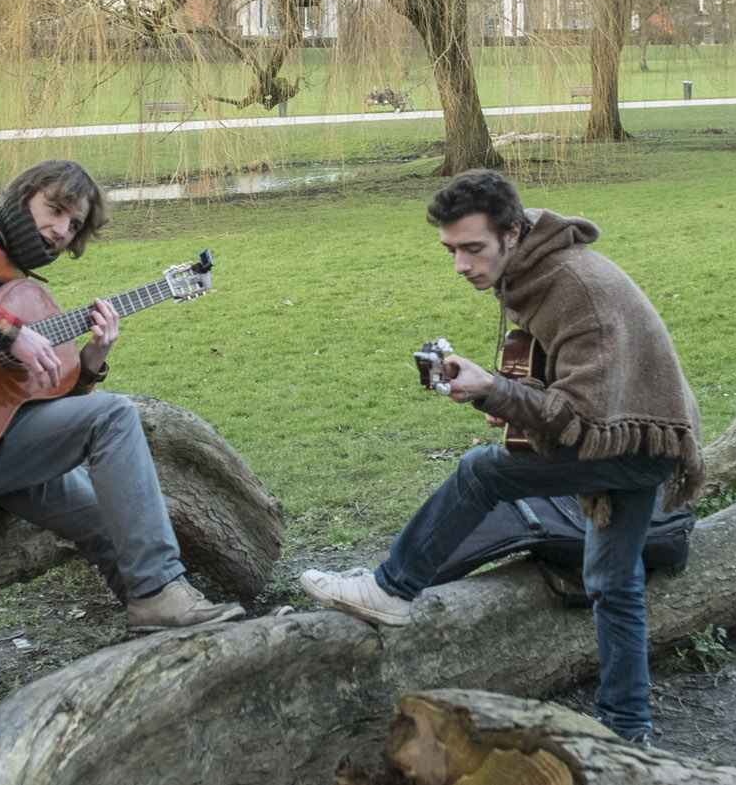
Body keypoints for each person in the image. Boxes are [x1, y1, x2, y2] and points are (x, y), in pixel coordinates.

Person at [301, 171, 706, 743]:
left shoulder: (572, 287)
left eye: (473, 249)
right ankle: (627, 730)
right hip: (636, 433)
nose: (461, 265)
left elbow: (581, 421)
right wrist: (508, 399)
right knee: (613, 583)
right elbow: (564, 390)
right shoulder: (536, 270)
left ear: (512, 234)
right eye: (451, 251)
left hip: (637, 443)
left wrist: (496, 391)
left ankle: (391, 590)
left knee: (484, 471)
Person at [0, 159, 246, 633]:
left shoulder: (20, 280)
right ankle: (158, 590)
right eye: (55, 209)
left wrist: (88, 364)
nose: (60, 229)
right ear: (24, 194)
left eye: (73, 224)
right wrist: (10, 334)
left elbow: (32, 401)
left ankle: (160, 622)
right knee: (114, 416)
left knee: (108, 520)